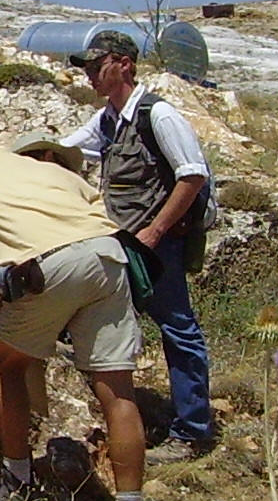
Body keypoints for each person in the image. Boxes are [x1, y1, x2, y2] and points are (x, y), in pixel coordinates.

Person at [0, 136, 152, 501]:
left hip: (46, 266)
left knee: (5, 361)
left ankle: (16, 485)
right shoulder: (70, 179)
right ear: (49, 159)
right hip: (109, 257)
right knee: (118, 391)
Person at [61, 28, 217, 460]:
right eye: (88, 68)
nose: (91, 75)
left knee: (177, 327)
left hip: (156, 245)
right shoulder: (108, 119)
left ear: (124, 64)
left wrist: (156, 232)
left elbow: (192, 175)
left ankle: (193, 431)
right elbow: (70, 149)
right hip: (123, 241)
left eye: (98, 66)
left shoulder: (159, 115)